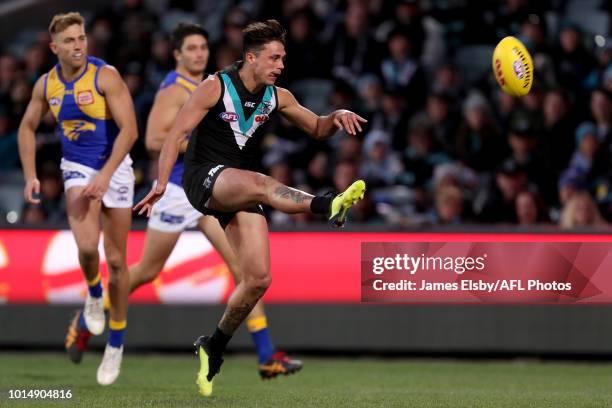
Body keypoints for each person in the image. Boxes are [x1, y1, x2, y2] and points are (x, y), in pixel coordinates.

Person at [134, 20, 366, 396]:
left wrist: (335, 117)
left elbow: (318, 128)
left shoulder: (277, 96)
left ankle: (214, 347)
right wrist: (161, 184)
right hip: (201, 178)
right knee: (261, 182)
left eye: (283, 58)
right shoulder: (215, 86)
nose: (280, 65)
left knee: (257, 279)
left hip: (234, 186)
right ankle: (328, 204)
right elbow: (176, 135)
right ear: (251, 58)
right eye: (274, 58)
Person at [65, 22, 302, 379]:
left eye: (203, 47)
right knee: (147, 271)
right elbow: (155, 139)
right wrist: (207, 147)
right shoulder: (175, 90)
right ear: (177, 54)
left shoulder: (219, 84)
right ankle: (87, 315)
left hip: (212, 191)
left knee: (247, 271)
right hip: (178, 190)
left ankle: (267, 354)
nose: (199, 54)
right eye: (191, 49)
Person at [18, 12, 137, 386]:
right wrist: (31, 175)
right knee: (87, 249)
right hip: (76, 167)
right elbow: (26, 126)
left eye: (82, 38)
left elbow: (130, 130)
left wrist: (105, 175)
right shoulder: (45, 84)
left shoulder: (106, 76)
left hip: (115, 167)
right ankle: (92, 292)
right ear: (54, 48)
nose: (78, 46)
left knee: (118, 262)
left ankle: (115, 344)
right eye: (70, 41)